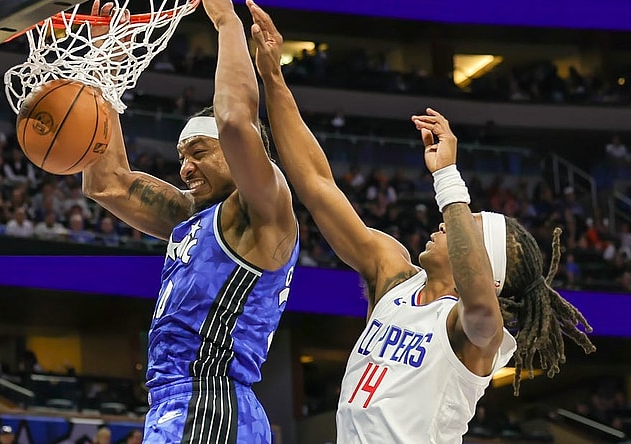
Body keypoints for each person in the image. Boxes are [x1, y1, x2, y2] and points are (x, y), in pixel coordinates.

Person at [246, 2, 596, 442]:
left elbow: (482, 305)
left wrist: (448, 180)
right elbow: (318, 186)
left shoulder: (477, 335)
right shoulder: (394, 277)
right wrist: (274, 78)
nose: (447, 224)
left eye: (464, 227)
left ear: (485, 272)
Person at [82, 0, 299, 442]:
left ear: (239, 151)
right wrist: (104, 73)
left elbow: (237, 120)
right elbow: (107, 185)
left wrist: (225, 22)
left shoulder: (264, 208)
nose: (185, 168)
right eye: (182, 157)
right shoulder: (196, 217)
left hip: (211, 401)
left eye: (199, 152)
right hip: (179, 401)